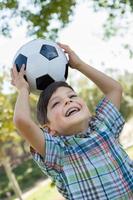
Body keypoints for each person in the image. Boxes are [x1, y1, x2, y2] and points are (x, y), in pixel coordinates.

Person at [11, 43, 133, 200]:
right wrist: (23, 90)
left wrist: (79, 65)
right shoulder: (58, 151)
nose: (68, 101)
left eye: (72, 96)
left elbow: (114, 89)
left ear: (86, 107)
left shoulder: (103, 127)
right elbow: (22, 121)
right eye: (56, 103)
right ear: (49, 129)